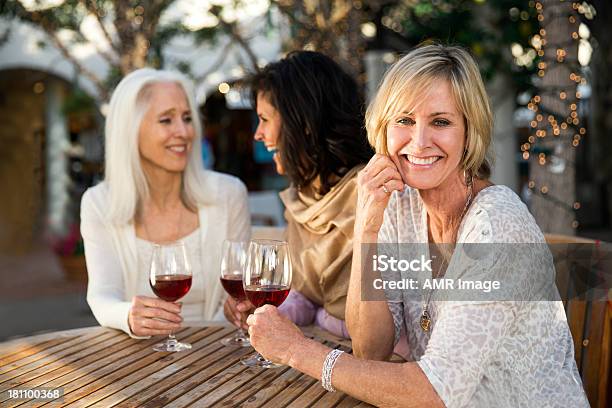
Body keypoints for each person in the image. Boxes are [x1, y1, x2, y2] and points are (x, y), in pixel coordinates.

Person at [244, 44, 589, 407]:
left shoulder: (495, 225)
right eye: (405, 120)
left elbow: (433, 392)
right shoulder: (401, 205)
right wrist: (367, 227)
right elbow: (370, 349)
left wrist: (297, 351)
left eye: (440, 122)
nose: (420, 142)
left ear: (469, 131)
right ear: (384, 128)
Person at [81, 68, 250, 338]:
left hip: (219, 352)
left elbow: (236, 297)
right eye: (166, 120)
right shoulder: (99, 203)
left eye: (186, 118)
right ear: (131, 130)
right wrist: (128, 315)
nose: (183, 132)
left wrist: (210, 341)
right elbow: (102, 296)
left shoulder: (228, 194)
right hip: (135, 359)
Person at [224, 51, 373, 338]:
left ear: (302, 122)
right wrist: (271, 313)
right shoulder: (300, 198)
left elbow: (398, 315)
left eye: (265, 119)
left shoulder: (374, 191)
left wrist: (322, 317)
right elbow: (307, 296)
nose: (258, 134)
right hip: (320, 357)